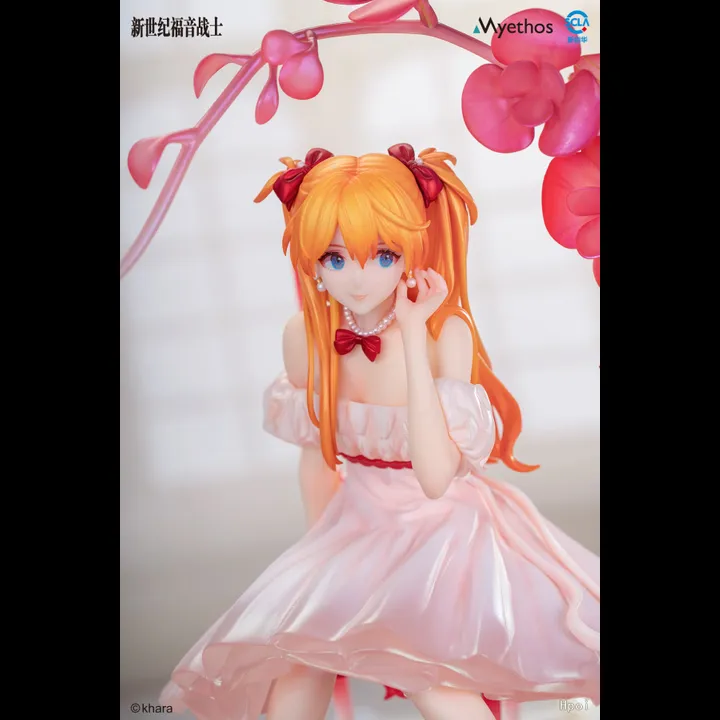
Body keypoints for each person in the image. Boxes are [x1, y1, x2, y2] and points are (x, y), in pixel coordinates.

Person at [158, 144, 600, 720]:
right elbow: (317, 456)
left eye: (383, 255)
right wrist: (316, 556)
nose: (359, 278)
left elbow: (437, 478)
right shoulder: (305, 339)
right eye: (336, 258)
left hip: (442, 531)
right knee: (297, 653)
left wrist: (413, 334)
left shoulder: (444, 335)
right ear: (312, 261)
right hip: (355, 525)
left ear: (411, 249)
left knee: (430, 677)